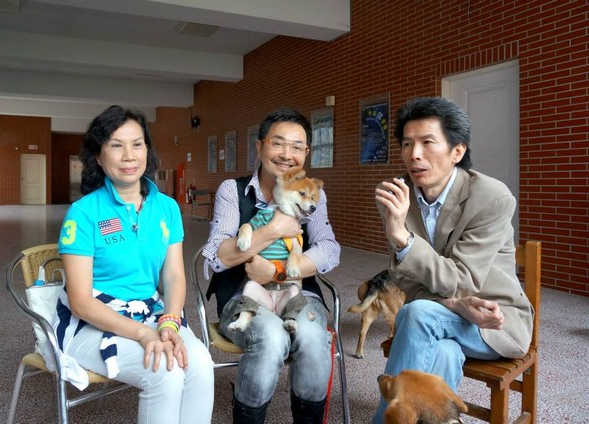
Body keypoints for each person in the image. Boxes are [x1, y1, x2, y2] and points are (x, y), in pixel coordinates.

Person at [371, 97, 533, 423]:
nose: (414, 154)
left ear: (457, 152)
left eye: (427, 143)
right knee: (442, 350)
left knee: (417, 315)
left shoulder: (491, 196)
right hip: (443, 317)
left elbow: (462, 281)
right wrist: (455, 305)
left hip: (493, 322)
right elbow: (403, 280)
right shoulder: (398, 196)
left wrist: (402, 237)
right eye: (406, 144)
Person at [54, 105, 214, 424]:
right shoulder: (83, 213)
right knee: (164, 372)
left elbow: (173, 275)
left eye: (137, 143)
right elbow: (81, 301)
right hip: (92, 323)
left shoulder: (166, 207)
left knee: (200, 365)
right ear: (98, 157)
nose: (129, 155)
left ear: (147, 151)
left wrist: (169, 321)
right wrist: (143, 334)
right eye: (116, 145)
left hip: (151, 313)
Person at [202, 108, 340, 424]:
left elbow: (329, 250)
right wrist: (273, 230)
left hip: (297, 294)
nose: (286, 155)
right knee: (270, 335)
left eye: (296, 147)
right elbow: (217, 257)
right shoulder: (232, 191)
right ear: (260, 146)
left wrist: (278, 271)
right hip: (242, 296)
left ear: (306, 153)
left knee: (312, 336)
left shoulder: (312, 193)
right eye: (278, 144)